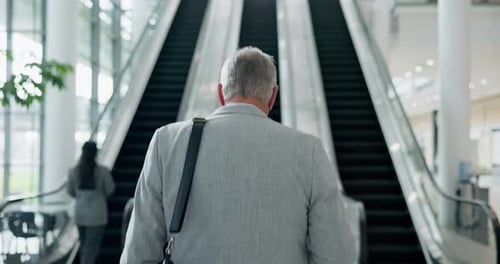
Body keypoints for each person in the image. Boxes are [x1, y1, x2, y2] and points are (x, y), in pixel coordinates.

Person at [121, 47, 356, 263]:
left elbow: (138, 252)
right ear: (273, 97)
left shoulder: (167, 141)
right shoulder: (309, 151)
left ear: (221, 93)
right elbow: (336, 256)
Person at [68, 141, 115, 264]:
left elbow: (71, 192)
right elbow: (110, 190)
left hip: (80, 215)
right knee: (92, 248)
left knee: (84, 246)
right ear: (96, 153)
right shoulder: (103, 171)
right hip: (97, 216)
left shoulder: (74, 171)